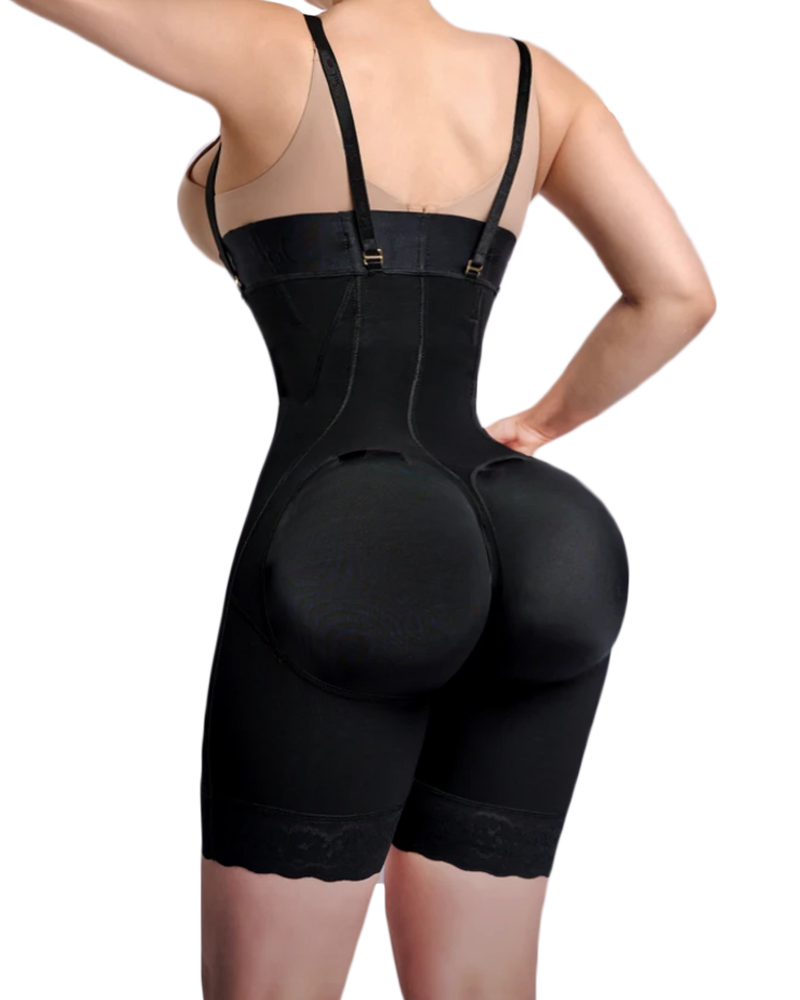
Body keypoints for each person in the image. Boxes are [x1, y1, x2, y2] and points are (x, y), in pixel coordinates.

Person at [9, 0, 716, 997]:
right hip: (537, 532)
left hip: (352, 533)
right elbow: (677, 294)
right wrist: (536, 426)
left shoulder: (272, 49)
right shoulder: (538, 84)